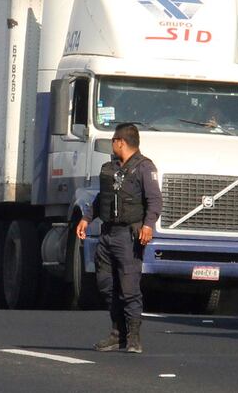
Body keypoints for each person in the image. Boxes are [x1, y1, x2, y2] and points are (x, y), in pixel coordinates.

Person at [76, 123, 163, 354]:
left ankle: (133, 337)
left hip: (128, 236)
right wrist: (86, 218)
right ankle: (117, 334)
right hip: (107, 234)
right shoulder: (110, 168)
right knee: (106, 285)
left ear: (121, 142)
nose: (112, 144)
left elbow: (155, 200)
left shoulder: (145, 168)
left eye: (113, 140)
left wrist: (148, 225)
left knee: (129, 288)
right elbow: (101, 199)